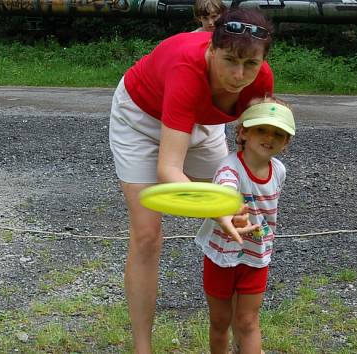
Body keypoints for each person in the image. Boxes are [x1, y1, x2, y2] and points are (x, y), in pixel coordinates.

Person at [108, 8, 275, 353]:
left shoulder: (260, 80)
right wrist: (217, 209)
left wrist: (232, 202)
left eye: (250, 64)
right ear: (211, 48)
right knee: (147, 235)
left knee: (239, 213)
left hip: (199, 122)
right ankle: (143, 349)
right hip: (140, 119)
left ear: (262, 61)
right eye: (229, 60)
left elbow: (250, 152)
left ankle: (243, 326)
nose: (238, 75)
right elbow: (169, 169)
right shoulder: (187, 68)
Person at [195, 97, 295, 354]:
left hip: (256, 256)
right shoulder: (229, 169)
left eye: (278, 134)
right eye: (261, 129)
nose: (269, 137)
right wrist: (231, 210)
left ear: (286, 143)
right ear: (243, 132)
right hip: (221, 256)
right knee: (220, 321)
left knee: (248, 321)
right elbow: (225, 191)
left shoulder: (279, 170)